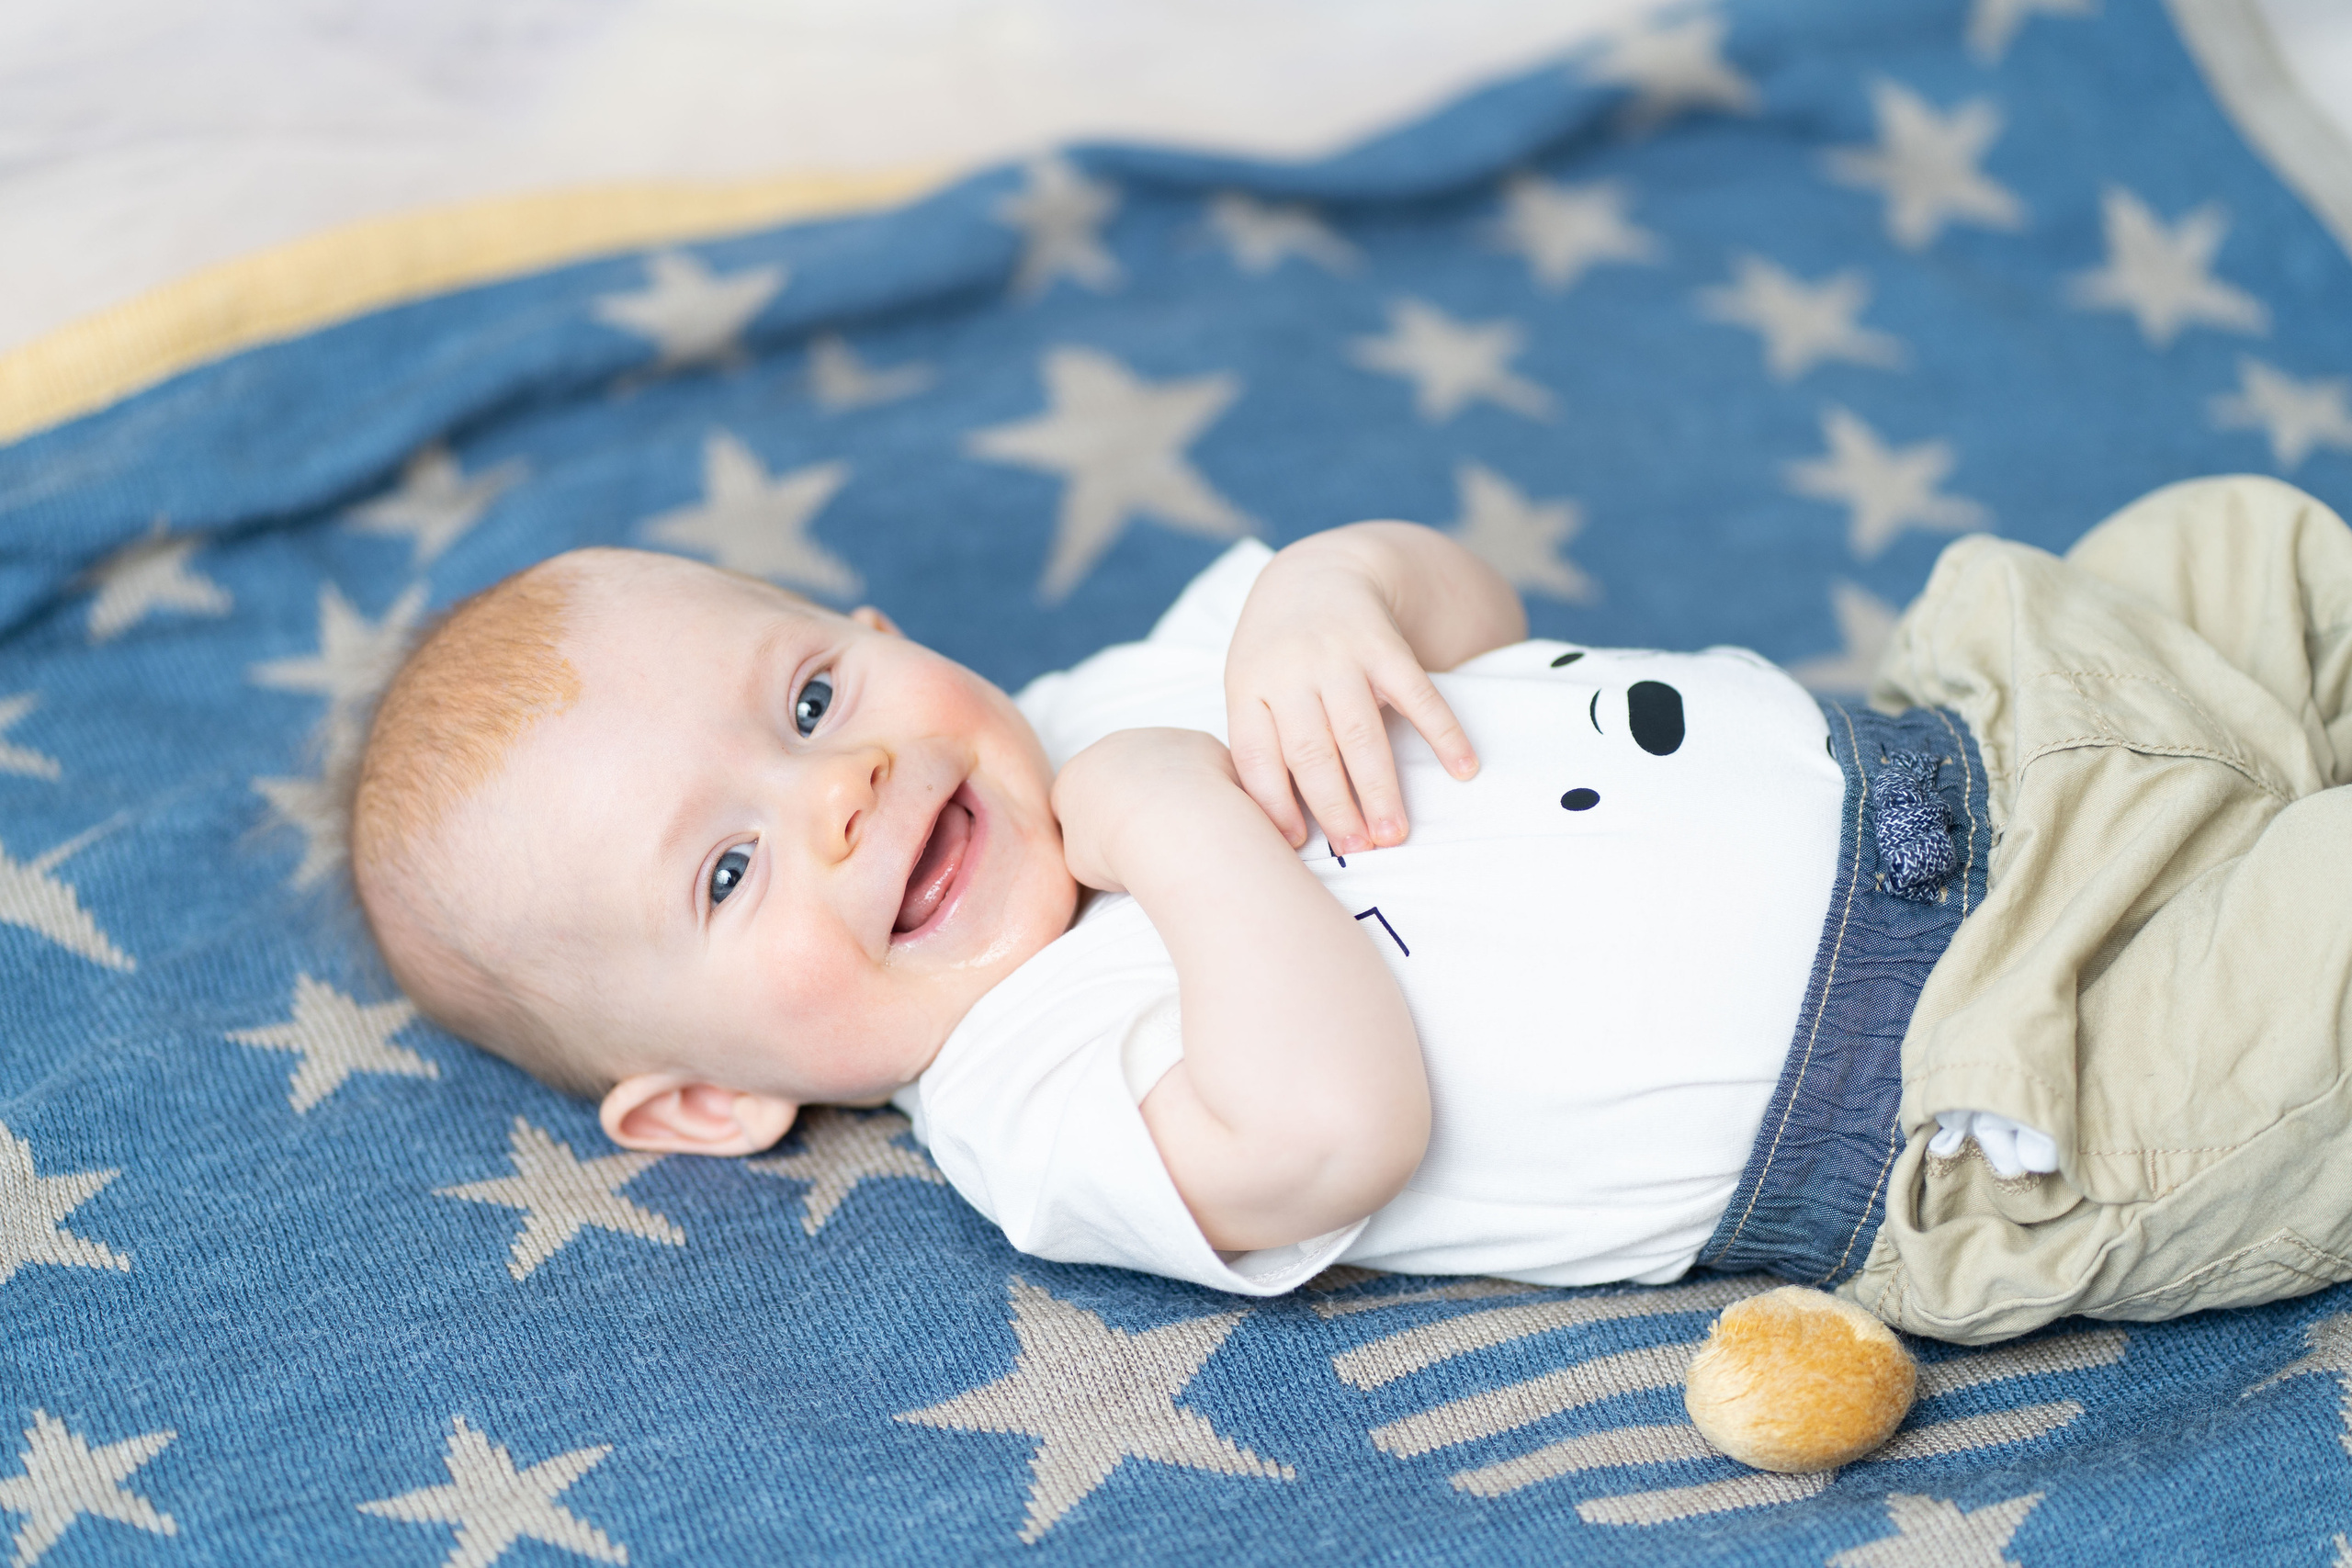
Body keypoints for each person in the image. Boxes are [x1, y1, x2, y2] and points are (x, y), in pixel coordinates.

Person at [349, 475, 2352, 1345]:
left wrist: (1335, 584)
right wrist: (1173, 821)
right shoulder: (1028, 1101)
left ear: (870, 632)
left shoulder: (1113, 688)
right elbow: (1329, 1128)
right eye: (727, 868)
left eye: (804, 700)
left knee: (2232, 554)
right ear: (700, 1096)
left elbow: (1463, 614)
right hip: (1998, 1069)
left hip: (1983, 726)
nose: (842, 790)